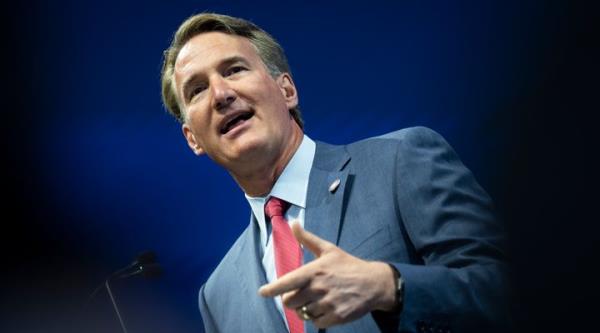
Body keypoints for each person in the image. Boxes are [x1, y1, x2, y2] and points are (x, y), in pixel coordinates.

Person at [160, 13, 510, 333]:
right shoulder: (217, 296)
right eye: (197, 90)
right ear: (193, 140)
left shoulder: (400, 161)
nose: (220, 94)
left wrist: (389, 286)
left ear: (287, 90)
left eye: (234, 69)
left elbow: (512, 291)